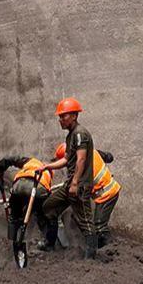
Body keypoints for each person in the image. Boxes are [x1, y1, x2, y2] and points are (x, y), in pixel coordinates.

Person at [42, 97, 98, 259]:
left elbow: (81, 159)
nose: (60, 120)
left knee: (86, 221)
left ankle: (91, 257)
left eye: (64, 116)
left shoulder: (80, 134)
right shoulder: (71, 135)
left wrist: (74, 183)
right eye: (59, 116)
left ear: (74, 116)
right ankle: (51, 244)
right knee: (49, 206)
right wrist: (47, 166)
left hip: (79, 185)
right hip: (71, 184)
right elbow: (67, 159)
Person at [0, 151, 54, 251]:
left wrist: (0, 174)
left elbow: (9, 159)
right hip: (38, 188)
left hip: (18, 186)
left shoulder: (30, 161)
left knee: (15, 215)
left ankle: (13, 239)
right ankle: (48, 242)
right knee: (44, 213)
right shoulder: (48, 174)